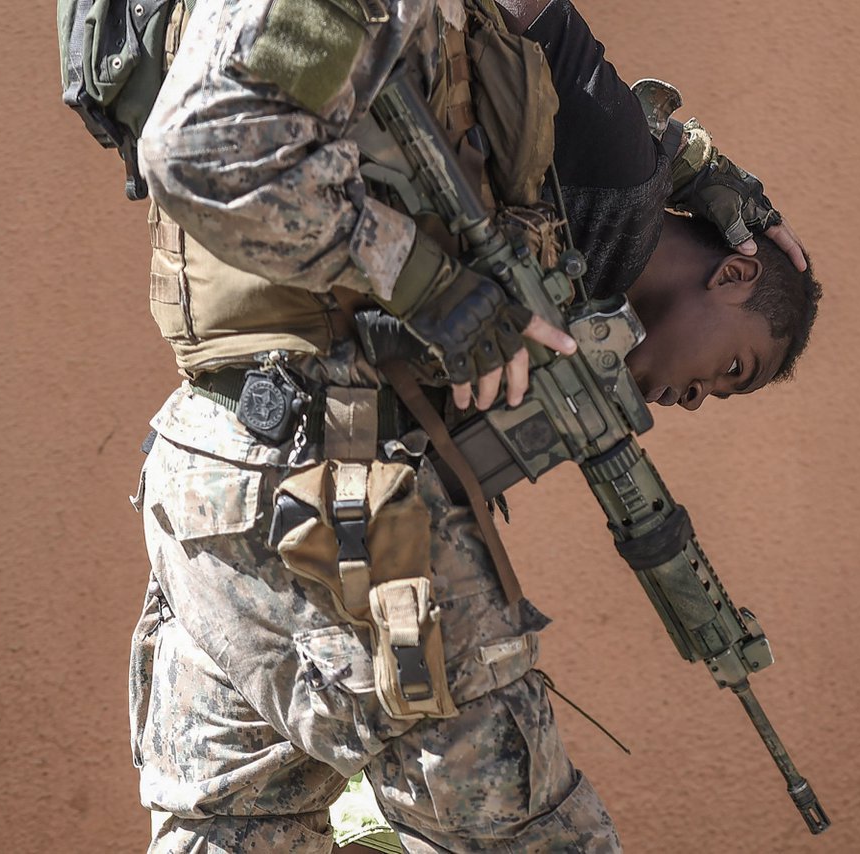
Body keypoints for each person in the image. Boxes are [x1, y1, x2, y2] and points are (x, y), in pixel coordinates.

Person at [125, 0, 821, 852]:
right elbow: (199, 144)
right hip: (329, 475)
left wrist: (692, 164)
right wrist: (436, 290)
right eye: (733, 373)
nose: (698, 398)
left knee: (237, 830)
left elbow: (557, 62)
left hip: (225, 472)